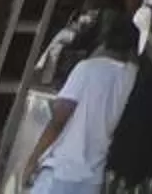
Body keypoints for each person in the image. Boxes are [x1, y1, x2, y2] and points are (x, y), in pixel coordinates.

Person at [22, 18, 136, 194]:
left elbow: (59, 119)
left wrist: (32, 159)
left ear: (104, 42)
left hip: (63, 170)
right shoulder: (131, 77)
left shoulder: (87, 69)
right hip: (93, 179)